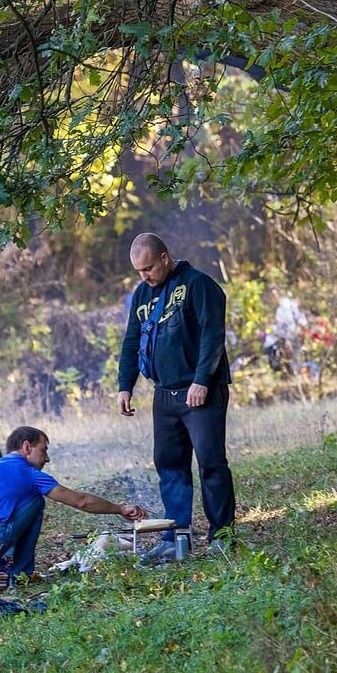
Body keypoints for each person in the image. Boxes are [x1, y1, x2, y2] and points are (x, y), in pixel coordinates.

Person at [117, 232, 236, 562]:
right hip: (164, 394)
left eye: (149, 268)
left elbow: (213, 334)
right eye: (139, 271)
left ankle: (222, 536)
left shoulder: (199, 285)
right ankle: (176, 539)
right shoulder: (143, 294)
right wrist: (125, 385)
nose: (145, 276)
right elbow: (132, 341)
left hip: (200, 393)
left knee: (211, 464)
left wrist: (202, 380)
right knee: (169, 466)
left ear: (165, 258)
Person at [0, 425, 145, 588]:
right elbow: (81, 501)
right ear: (27, 447)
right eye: (44, 450)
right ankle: (20, 574)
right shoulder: (29, 474)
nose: (47, 458)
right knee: (36, 500)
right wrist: (120, 508)